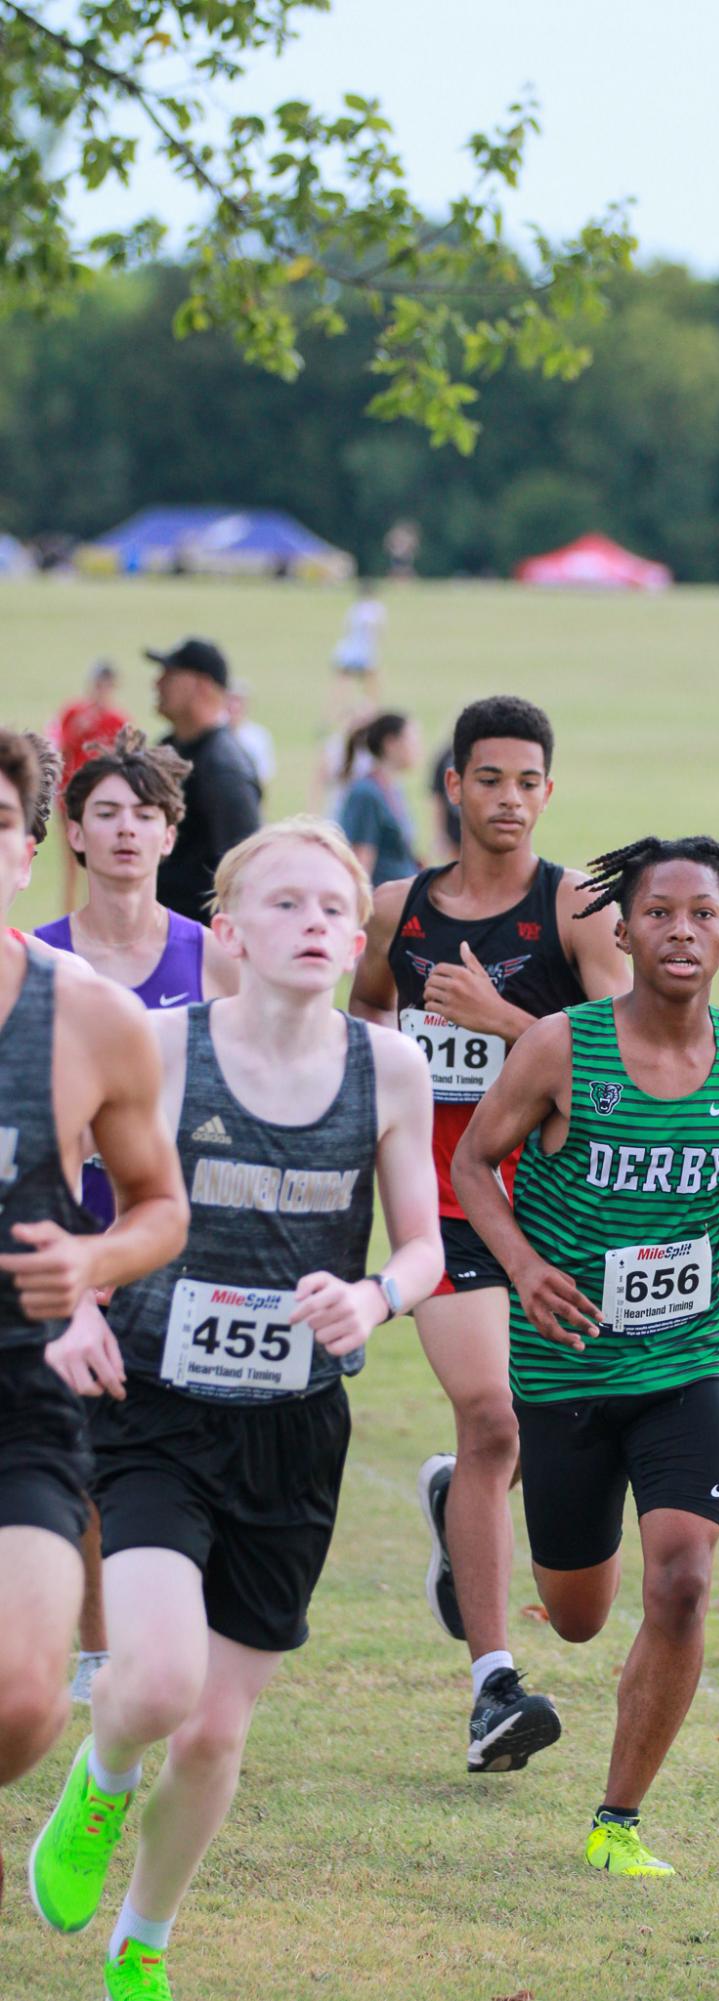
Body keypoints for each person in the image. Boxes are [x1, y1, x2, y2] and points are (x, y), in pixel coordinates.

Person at [29, 817, 441, 2001]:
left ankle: (144, 1941)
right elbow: (45, 1188)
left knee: (214, 1736)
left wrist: (374, 1296)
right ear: (229, 933)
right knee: (154, 1682)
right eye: (287, 905)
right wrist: (79, 1307)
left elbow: (422, 1248)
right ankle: (101, 1780)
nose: (315, 925)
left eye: (333, 910)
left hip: (294, 1428)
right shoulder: (158, 1049)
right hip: (156, 1406)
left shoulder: (389, 1069)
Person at [453, 836, 719, 1876]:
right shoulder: (560, 1047)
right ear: (624, 929)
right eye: (659, 913)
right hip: (563, 1370)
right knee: (575, 1617)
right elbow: (473, 1164)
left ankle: (617, 1820)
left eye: (701, 914)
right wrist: (520, 1269)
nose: (681, 931)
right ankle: (463, 1517)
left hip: (686, 1363)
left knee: (684, 1579)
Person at [349, 694, 628, 1772]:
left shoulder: (578, 911)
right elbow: (365, 1020)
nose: (508, 800)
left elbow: (616, 1062)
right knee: (492, 1417)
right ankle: (492, 1689)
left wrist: (504, 1023)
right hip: (442, 1206)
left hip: (555, 1212)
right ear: (453, 786)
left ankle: (451, 1502)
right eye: (489, 779)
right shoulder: (394, 912)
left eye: (528, 782)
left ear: (548, 792)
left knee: (535, 1434)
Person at [0, 729, 187, 1840]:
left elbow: (161, 1205)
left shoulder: (85, 1017)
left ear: (26, 851)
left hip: (20, 1388)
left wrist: (92, 1261)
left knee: (25, 1705)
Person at [34, 727, 240, 1702]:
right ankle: (90, 1646)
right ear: (71, 832)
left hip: (185, 1237)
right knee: (76, 1443)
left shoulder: (210, 959)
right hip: (65, 1239)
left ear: (169, 834)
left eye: (144, 815)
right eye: (106, 813)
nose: (125, 831)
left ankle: (169, 1625)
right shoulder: (36, 961)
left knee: (178, 1444)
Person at [148, 638, 261, 924]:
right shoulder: (169, 748)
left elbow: (244, 874)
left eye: (169, 675)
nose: (156, 684)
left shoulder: (225, 769)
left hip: (196, 947)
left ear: (202, 685)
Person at [50, 662, 131, 908]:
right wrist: (80, 727)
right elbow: (61, 747)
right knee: (71, 863)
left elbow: (124, 758)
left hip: (101, 799)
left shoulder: (118, 720)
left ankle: (95, 911)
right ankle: (69, 914)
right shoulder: (73, 712)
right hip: (70, 796)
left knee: (97, 861)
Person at [337, 711, 421, 887]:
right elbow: (360, 863)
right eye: (412, 741)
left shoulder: (392, 789)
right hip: (382, 904)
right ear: (391, 743)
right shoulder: (366, 793)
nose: (418, 748)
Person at [332, 578, 387, 703]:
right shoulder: (376, 609)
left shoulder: (354, 608)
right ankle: (371, 709)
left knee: (342, 683)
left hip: (347, 650)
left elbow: (346, 630)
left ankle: (333, 714)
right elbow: (377, 631)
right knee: (372, 683)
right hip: (364, 652)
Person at [225, 684, 275, 792]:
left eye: (238, 701)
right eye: (231, 700)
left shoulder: (259, 737)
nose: (234, 706)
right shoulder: (212, 734)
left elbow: (263, 778)